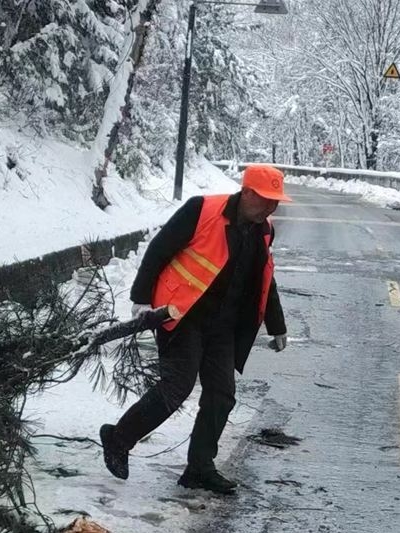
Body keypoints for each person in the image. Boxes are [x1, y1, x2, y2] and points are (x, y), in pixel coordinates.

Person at [99, 164, 289, 494]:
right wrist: (141, 299)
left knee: (222, 395)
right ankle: (118, 438)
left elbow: (265, 280)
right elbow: (159, 249)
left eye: (275, 201)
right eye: (265, 199)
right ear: (246, 193)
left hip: (223, 327)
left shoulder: (264, 231)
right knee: (177, 387)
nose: (271, 207)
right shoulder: (202, 210)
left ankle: (200, 467)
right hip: (182, 315)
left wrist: (277, 325)